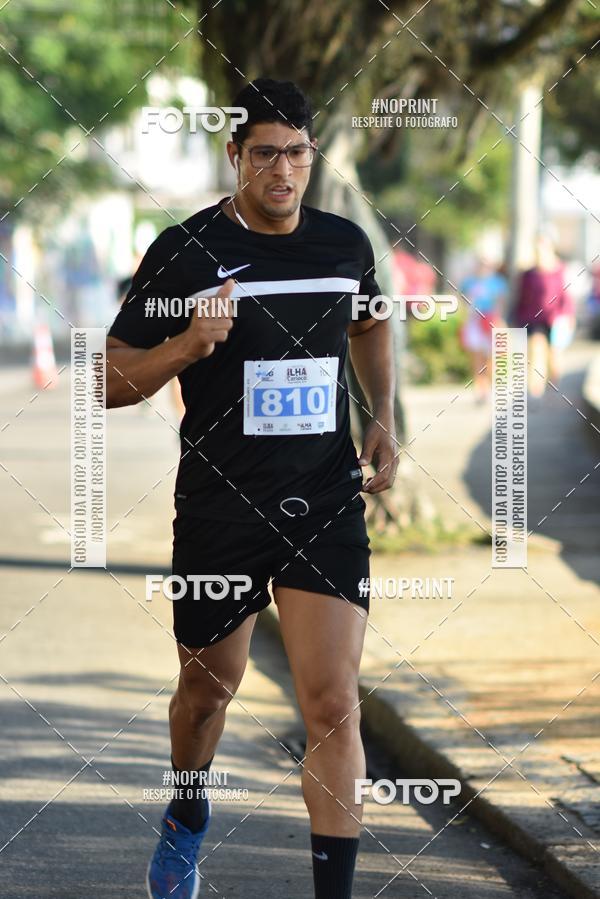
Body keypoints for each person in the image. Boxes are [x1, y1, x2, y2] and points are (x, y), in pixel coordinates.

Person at [105, 78, 397, 899]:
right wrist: (186, 345)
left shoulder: (343, 245)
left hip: (325, 498)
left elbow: (370, 322)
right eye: (263, 152)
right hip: (221, 507)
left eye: (296, 152)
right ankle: (188, 811)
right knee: (205, 693)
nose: (282, 169)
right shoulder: (184, 252)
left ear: (312, 156)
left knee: (335, 701)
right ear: (234, 156)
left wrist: (383, 415)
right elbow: (107, 378)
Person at [514, 233, 576, 398]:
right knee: (536, 351)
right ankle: (535, 390)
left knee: (554, 357)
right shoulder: (528, 274)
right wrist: (518, 318)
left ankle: (553, 383)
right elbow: (522, 298)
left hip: (556, 319)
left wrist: (569, 316)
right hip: (534, 319)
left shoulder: (561, 270)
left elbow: (567, 296)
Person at [459, 257, 507, 403]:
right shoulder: (469, 282)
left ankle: (490, 386)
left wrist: (496, 320)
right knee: (477, 357)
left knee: (492, 358)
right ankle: (480, 389)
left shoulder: (498, 283)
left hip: (491, 322)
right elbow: (462, 298)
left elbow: (501, 303)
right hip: (475, 322)